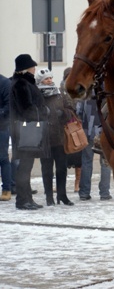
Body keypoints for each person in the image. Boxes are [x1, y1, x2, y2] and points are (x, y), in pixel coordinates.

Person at [10, 54, 48, 210]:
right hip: (26, 129)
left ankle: (27, 198)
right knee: (24, 167)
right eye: (33, 67)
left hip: (27, 129)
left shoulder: (25, 82)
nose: (35, 69)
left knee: (26, 166)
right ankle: (22, 200)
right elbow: (26, 108)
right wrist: (41, 112)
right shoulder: (21, 84)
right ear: (26, 69)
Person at [35, 69, 76, 206]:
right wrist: (41, 114)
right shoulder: (37, 96)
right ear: (41, 81)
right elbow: (32, 113)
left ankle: (62, 195)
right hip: (44, 138)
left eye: (51, 78)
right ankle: (49, 197)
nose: (50, 80)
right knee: (47, 170)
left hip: (59, 137)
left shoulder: (60, 93)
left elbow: (71, 109)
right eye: (46, 79)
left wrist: (63, 113)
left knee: (61, 169)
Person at [77, 99, 112, 201]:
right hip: (105, 131)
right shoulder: (107, 92)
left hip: (88, 131)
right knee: (105, 163)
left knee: (86, 162)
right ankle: (105, 193)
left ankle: (84, 192)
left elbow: (78, 110)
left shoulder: (86, 93)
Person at [0, 73, 12, 201]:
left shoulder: (4, 83)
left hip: (1, 127)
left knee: (2, 158)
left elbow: (9, 106)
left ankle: (6, 189)